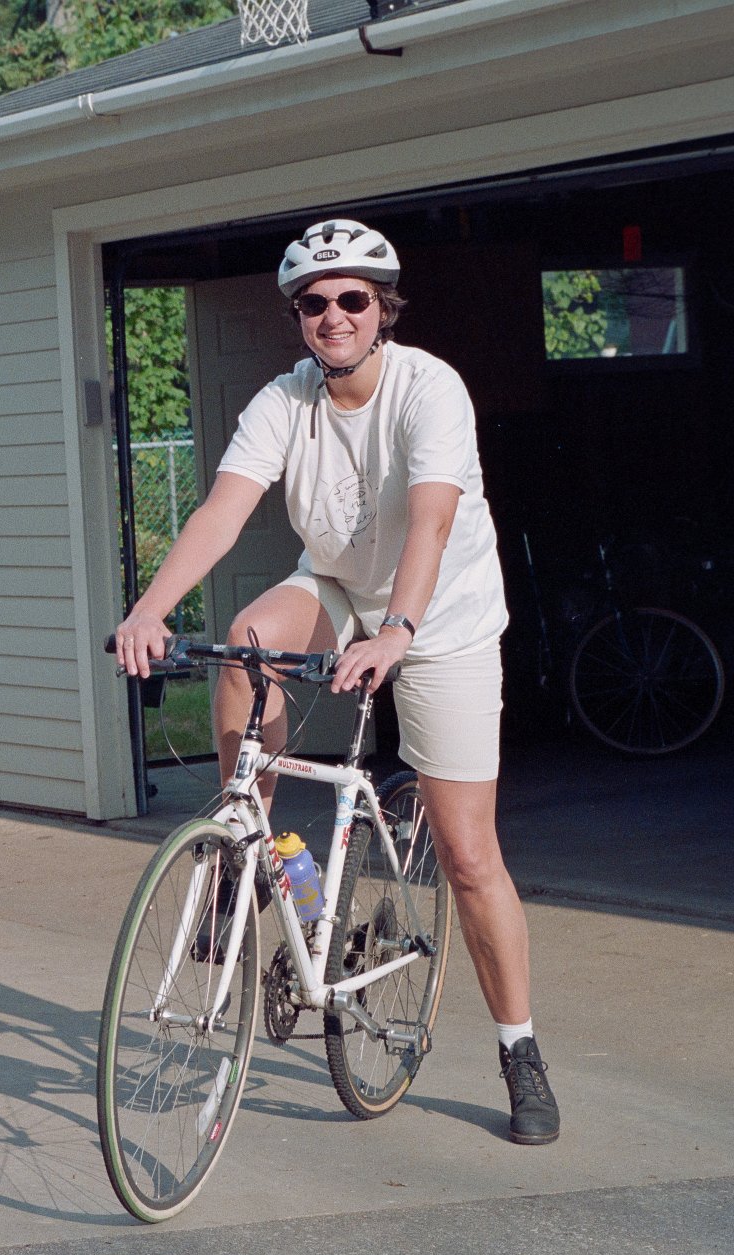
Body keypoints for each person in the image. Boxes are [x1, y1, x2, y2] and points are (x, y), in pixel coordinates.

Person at [113, 219, 560, 1146]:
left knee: (468, 855)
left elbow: (431, 521)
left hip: (441, 619)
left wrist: (399, 632)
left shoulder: (429, 388)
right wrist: (149, 610)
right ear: (298, 318)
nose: (333, 316)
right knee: (247, 644)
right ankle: (243, 848)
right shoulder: (286, 399)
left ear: (382, 308)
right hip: (342, 588)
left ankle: (520, 1050)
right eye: (314, 303)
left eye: (353, 298)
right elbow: (222, 512)